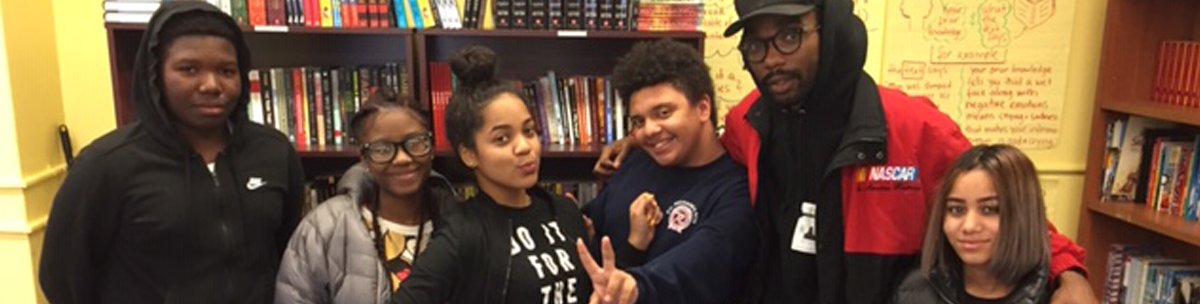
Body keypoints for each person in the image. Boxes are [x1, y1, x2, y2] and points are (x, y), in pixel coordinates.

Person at [592, 0, 1096, 303]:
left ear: (829, 30)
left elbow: (1000, 202)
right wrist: (637, 143)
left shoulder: (911, 126)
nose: (772, 61)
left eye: (789, 37)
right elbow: (702, 151)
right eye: (757, 47)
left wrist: (1068, 272)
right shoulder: (750, 122)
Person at [39, 2, 304, 303]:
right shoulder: (107, 164)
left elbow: (288, 252)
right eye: (188, 69)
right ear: (156, 75)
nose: (211, 84)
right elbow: (62, 278)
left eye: (226, 70)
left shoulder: (274, 152)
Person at [390, 46, 592, 304]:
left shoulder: (565, 212)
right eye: (502, 138)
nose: (524, 147)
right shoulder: (464, 233)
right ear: (469, 154)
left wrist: (634, 246)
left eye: (529, 131)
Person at [574, 39, 757, 304]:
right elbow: (596, 228)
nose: (649, 130)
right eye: (639, 121)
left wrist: (634, 287)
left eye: (663, 112)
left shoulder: (735, 192)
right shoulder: (636, 162)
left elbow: (698, 267)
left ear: (703, 108)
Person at [275, 89, 460, 304]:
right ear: (364, 159)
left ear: (431, 148)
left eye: (415, 142)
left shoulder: (460, 222)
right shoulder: (325, 227)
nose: (402, 158)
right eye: (382, 149)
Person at [893, 144, 1053, 304]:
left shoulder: (1060, 296)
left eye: (989, 209)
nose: (969, 226)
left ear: (1023, 215)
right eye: (956, 209)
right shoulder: (915, 292)